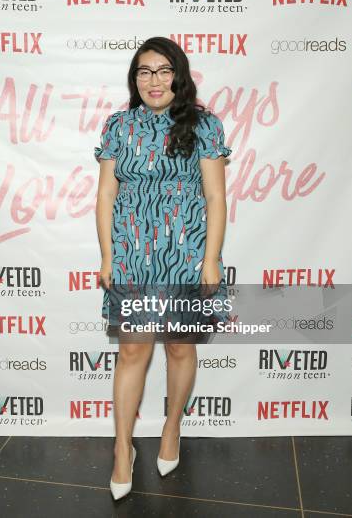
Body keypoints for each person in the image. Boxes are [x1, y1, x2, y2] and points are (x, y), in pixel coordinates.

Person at [94, 36, 232, 500]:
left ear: (179, 74)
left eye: (163, 70)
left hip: (186, 252)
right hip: (132, 252)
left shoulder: (204, 125)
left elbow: (215, 197)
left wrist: (211, 259)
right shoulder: (118, 126)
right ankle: (121, 448)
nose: (154, 81)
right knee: (132, 352)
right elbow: (106, 195)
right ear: (134, 79)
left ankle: (172, 427)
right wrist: (108, 255)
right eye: (144, 72)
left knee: (178, 347)